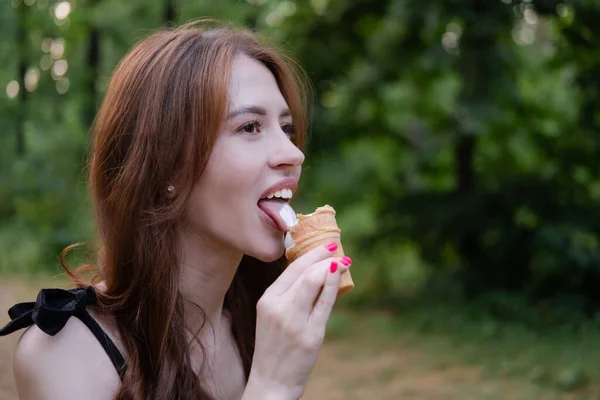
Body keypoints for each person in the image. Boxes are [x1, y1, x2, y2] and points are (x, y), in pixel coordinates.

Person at [0, 20, 352, 400]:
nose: (293, 153)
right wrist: (273, 388)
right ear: (167, 167)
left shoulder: (258, 323)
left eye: (286, 128)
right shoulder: (66, 355)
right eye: (250, 127)